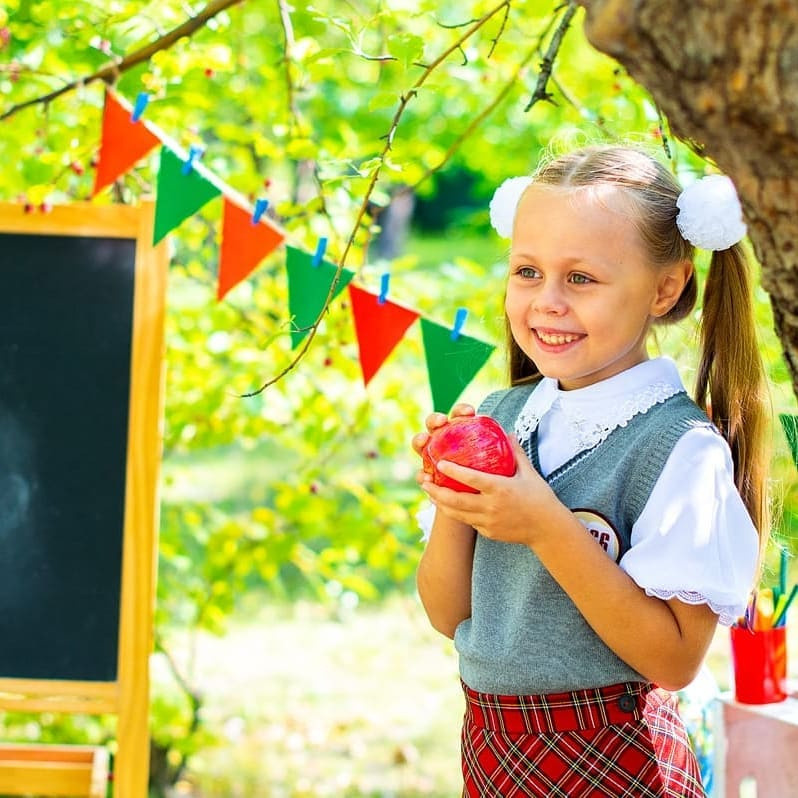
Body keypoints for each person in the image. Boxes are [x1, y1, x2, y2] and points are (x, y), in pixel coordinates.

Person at [412, 144, 769, 798]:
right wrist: (452, 505)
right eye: (527, 271)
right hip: (495, 752)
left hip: (617, 762)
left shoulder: (679, 448)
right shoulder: (504, 415)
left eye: (581, 278)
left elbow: (674, 659)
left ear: (665, 288)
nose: (547, 301)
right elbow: (447, 613)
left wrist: (544, 526)